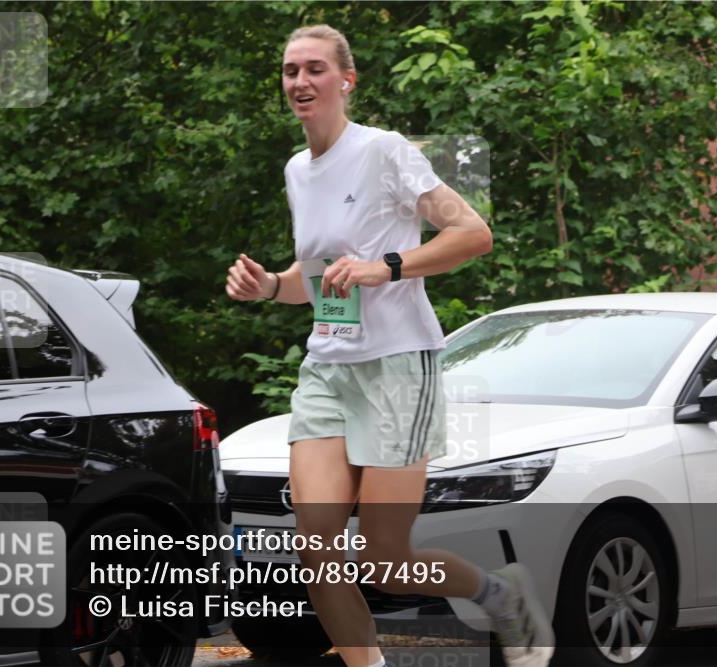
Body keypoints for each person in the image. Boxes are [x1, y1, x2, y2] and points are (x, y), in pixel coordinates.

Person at [225, 24, 555, 667]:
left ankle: (499, 595)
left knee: (383, 560)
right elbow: (317, 279)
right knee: (315, 549)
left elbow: (473, 233)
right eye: (291, 71)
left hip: (398, 367)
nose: (300, 82)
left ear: (346, 80)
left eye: (315, 69)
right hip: (328, 368)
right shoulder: (299, 169)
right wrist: (270, 286)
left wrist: (389, 266)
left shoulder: (384, 152)